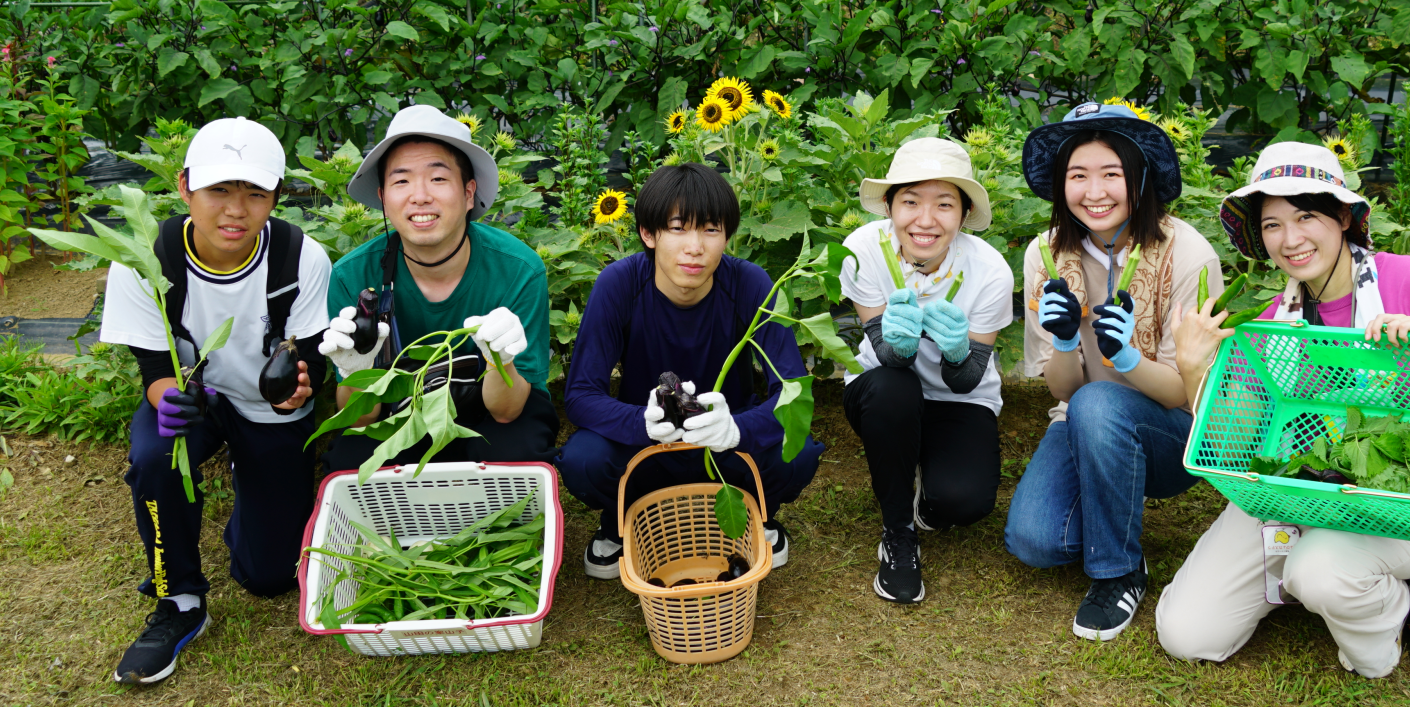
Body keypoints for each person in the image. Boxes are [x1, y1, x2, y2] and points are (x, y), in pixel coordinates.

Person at [1159, 140, 1410, 677]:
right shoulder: (1274, 321)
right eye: (1273, 224)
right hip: (1295, 495)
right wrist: (1194, 369)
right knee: (1186, 634)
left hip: (1395, 505)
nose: (1290, 240)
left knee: (1319, 572)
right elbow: (1232, 445)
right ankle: (1316, 576)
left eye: (1306, 216)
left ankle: (1390, 609)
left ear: (1345, 218)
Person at [104, 117, 332, 684]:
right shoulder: (147, 259)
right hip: (194, 396)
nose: (236, 210)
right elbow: (155, 370)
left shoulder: (300, 258)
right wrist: (168, 400)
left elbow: (310, 359)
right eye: (219, 190)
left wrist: (301, 389)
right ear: (184, 187)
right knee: (156, 455)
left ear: (276, 197)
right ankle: (179, 599)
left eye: (255, 193)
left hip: (268, 407)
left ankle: (248, 476)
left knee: (269, 577)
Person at [1002, 103, 1223, 641]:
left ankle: (1118, 571)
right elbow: (1062, 390)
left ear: (1140, 179)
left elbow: (1184, 394)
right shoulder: (1045, 255)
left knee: (1099, 402)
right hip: (1081, 416)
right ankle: (1113, 498)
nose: (1094, 192)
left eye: (1112, 174)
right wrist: (1064, 340)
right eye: (1078, 175)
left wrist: (1125, 358)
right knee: (1036, 541)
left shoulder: (1188, 254)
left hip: (1174, 432)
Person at [558, 163, 824, 578]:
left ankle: (758, 514)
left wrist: (736, 429)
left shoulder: (750, 284)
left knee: (797, 452)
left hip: (726, 451)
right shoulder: (620, 284)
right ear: (649, 234)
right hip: (646, 450)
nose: (695, 247)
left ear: (727, 236)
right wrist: (641, 422)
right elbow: (579, 394)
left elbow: (793, 390)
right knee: (584, 459)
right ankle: (620, 521)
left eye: (711, 229)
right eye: (678, 228)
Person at [319, 105, 558, 473]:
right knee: (352, 464)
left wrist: (500, 360)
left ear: (468, 193)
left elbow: (508, 412)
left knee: (515, 457)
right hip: (397, 415)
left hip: (491, 414)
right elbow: (361, 419)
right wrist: (355, 372)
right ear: (383, 198)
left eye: (438, 178)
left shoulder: (518, 270)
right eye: (401, 181)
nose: (419, 196)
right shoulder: (353, 275)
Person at [838, 138, 1014, 604]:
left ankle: (928, 499)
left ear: (964, 214)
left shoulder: (990, 272)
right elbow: (887, 356)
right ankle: (898, 534)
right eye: (911, 201)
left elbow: (967, 378)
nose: (926, 220)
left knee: (964, 502)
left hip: (959, 398)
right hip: (883, 390)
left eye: (944, 204)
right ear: (890, 206)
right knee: (893, 389)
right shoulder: (863, 250)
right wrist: (899, 343)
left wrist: (957, 352)